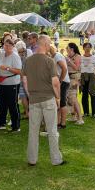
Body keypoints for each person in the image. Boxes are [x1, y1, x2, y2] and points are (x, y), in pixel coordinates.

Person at [23, 35, 65, 167]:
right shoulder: (49, 61)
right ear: (46, 45)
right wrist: (58, 97)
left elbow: (24, 79)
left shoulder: (28, 61)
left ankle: (32, 159)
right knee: (52, 130)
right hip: (48, 99)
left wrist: (30, 94)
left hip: (34, 100)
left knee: (33, 130)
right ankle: (56, 160)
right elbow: (55, 82)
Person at [0, 38, 22, 132]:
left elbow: (19, 71)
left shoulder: (15, 56)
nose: (6, 47)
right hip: (1, 82)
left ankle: (16, 126)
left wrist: (7, 68)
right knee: (2, 104)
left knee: (12, 105)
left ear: (12, 46)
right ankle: (1, 123)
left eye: (8, 46)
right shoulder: (1, 53)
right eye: (4, 45)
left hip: (12, 83)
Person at [79, 42, 95, 120]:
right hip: (83, 76)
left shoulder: (94, 57)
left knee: (93, 94)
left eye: (89, 47)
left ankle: (94, 113)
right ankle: (86, 112)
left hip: (92, 76)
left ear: (91, 48)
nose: (87, 48)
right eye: (86, 47)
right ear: (83, 48)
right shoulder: (80, 57)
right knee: (84, 95)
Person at [65, 43, 83, 125]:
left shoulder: (77, 56)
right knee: (70, 98)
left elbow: (77, 68)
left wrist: (68, 61)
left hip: (74, 79)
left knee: (73, 99)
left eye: (67, 48)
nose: (66, 49)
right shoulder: (68, 56)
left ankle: (80, 118)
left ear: (72, 49)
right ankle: (74, 116)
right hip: (68, 78)